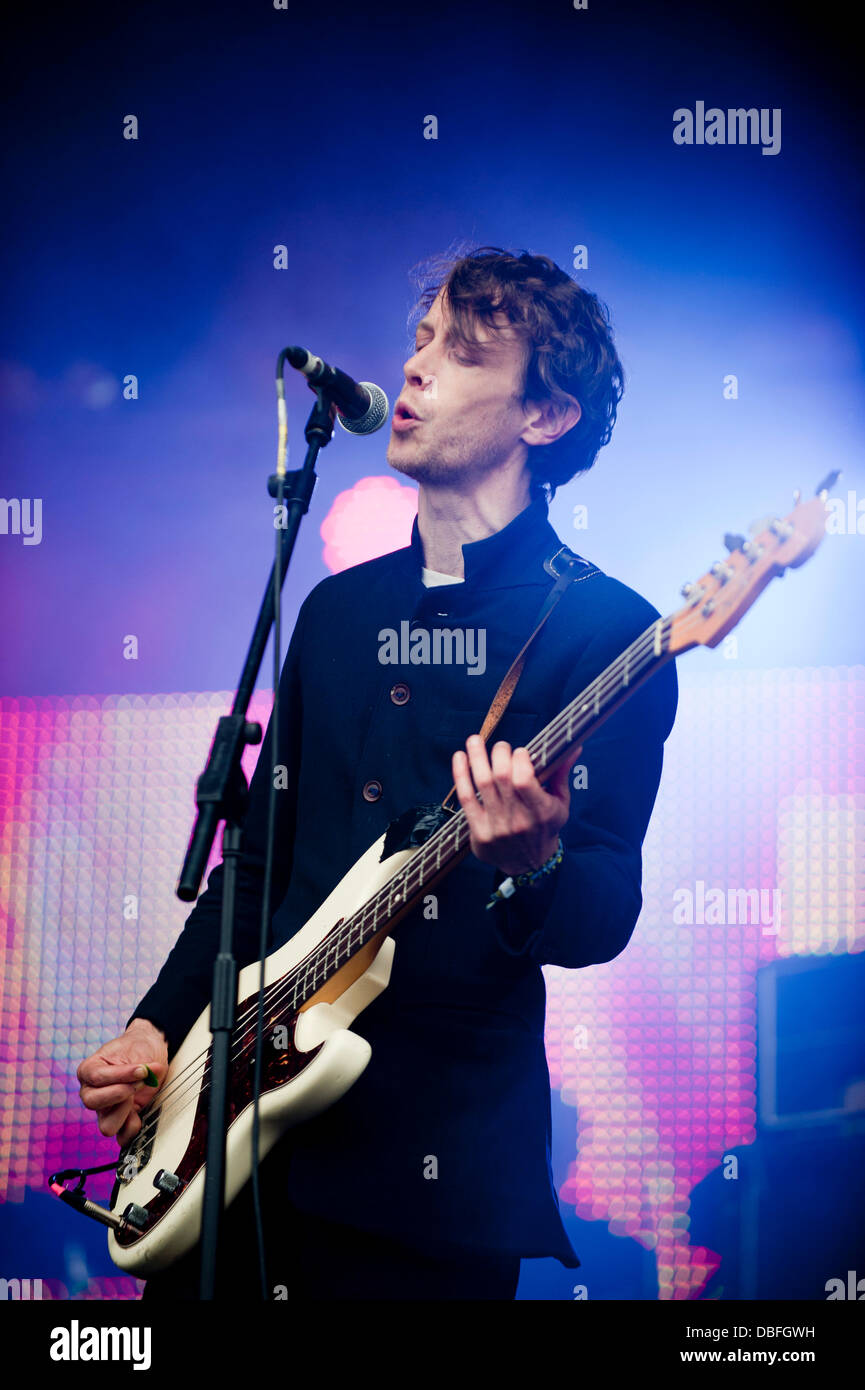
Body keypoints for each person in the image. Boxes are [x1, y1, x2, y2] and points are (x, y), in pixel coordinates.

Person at [77, 246, 678, 1300]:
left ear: (545, 417)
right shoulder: (335, 613)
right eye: (418, 341)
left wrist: (531, 862)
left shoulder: (608, 631)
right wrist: (156, 1027)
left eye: (462, 351)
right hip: (231, 1172)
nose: (414, 369)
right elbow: (255, 864)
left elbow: (602, 908)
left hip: (426, 1194)